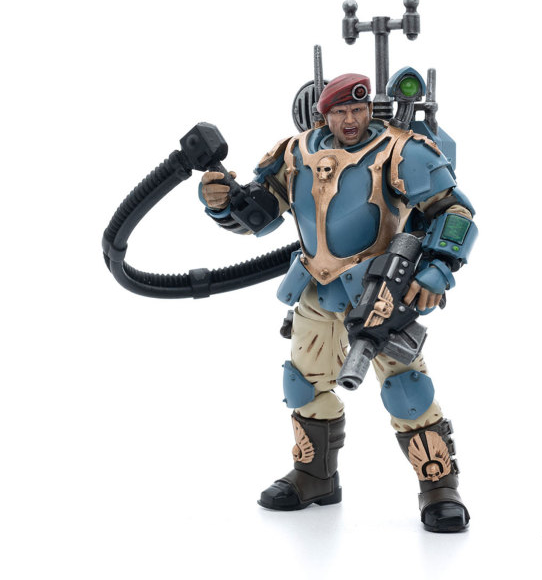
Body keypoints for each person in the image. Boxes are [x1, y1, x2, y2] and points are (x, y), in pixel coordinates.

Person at [199, 73, 477, 532]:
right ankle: (315, 476)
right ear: (322, 114)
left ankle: (438, 486)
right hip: (315, 288)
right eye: (340, 111)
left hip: (382, 294)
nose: (350, 120)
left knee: (407, 390)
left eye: (358, 110)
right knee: (303, 384)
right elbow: (259, 216)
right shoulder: (295, 153)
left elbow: (454, 211)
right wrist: (222, 201)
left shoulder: (402, 151)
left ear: (370, 109)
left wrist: (437, 270)